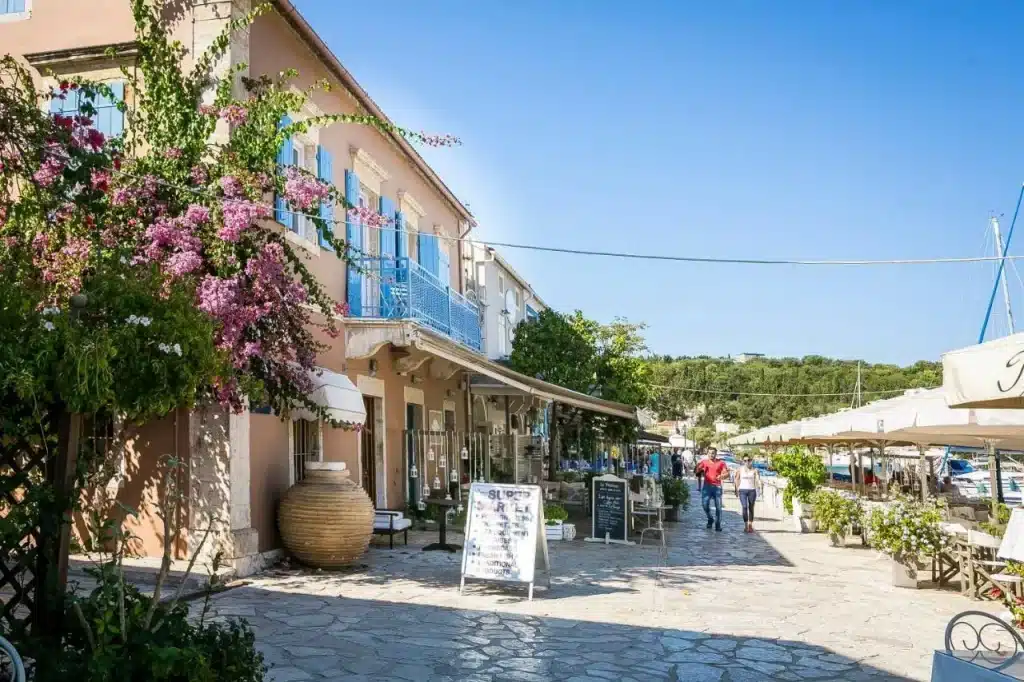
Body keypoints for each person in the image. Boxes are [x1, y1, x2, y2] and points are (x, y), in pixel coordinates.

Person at [695, 447, 728, 531]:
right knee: (704, 505)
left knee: (718, 507)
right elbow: (696, 471)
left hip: (717, 487)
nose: (711, 455)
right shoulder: (704, 462)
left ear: (715, 454)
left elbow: (726, 473)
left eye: (713, 453)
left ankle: (718, 525)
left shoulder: (721, 463)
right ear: (707, 454)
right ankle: (710, 518)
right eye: (709, 453)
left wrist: (722, 476)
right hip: (707, 486)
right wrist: (698, 469)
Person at [734, 455, 761, 533]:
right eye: (745, 460)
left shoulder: (755, 470)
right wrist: (736, 489)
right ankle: (745, 525)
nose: (747, 462)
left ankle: (750, 525)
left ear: (751, 461)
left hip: (752, 491)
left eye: (748, 460)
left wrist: (759, 487)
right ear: (743, 461)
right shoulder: (740, 469)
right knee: (744, 506)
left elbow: (758, 480)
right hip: (742, 490)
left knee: (751, 507)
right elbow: (737, 479)